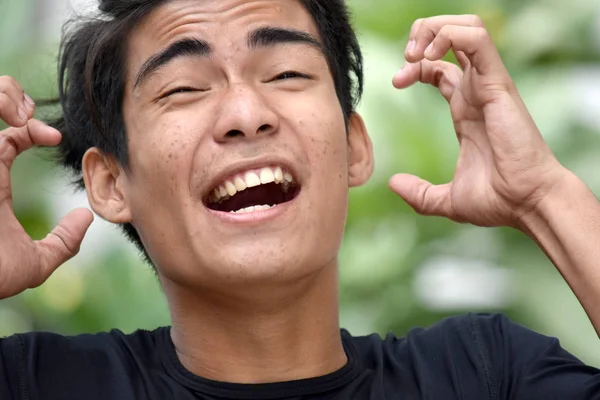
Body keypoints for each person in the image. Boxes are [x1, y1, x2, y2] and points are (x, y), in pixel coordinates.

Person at [0, 0, 599, 399]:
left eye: (286, 74)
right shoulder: (37, 383)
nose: (246, 115)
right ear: (111, 183)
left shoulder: (484, 375)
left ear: (354, 146)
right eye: (183, 88)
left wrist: (543, 194)